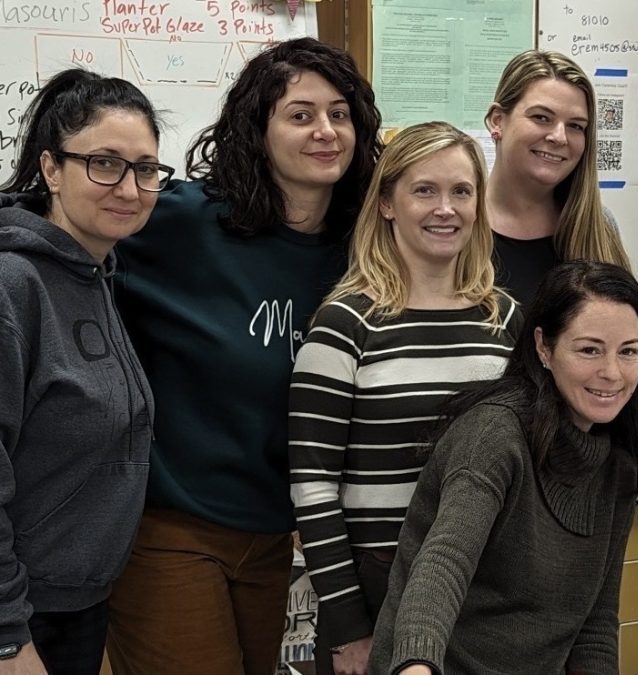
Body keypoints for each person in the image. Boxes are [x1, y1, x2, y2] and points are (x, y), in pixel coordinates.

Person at [106, 38, 382, 675]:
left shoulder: (364, 250)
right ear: (257, 131)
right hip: (169, 529)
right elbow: (55, 221)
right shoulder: (181, 221)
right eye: (300, 114)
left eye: (340, 114)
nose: (325, 131)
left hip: (275, 538)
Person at [288, 121, 520, 675]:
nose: (446, 208)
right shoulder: (345, 323)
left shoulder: (504, 319)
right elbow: (313, 485)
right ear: (388, 203)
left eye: (461, 192)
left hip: (484, 584)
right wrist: (348, 628)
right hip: (376, 586)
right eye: (425, 191)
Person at [368, 261, 638, 674]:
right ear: (544, 347)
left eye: (628, 351)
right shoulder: (493, 436)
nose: (612, 372)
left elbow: (595, 623)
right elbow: (443, 563)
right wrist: (416, 666)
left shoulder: (620, 463)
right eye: (589, 349)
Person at [0, 69, 171, 675]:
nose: (129, 187)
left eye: (146, 168)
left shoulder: (95, 272)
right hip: (23, 617)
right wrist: (8, 636)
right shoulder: (15, 284)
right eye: (105, 163)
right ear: (51, 169)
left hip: (77, 605)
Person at [484, 50, 630, 304]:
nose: (559, 137)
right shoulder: (455, 223)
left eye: (575, 126)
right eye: (541, 118)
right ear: (498, 121)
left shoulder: (599, 227)